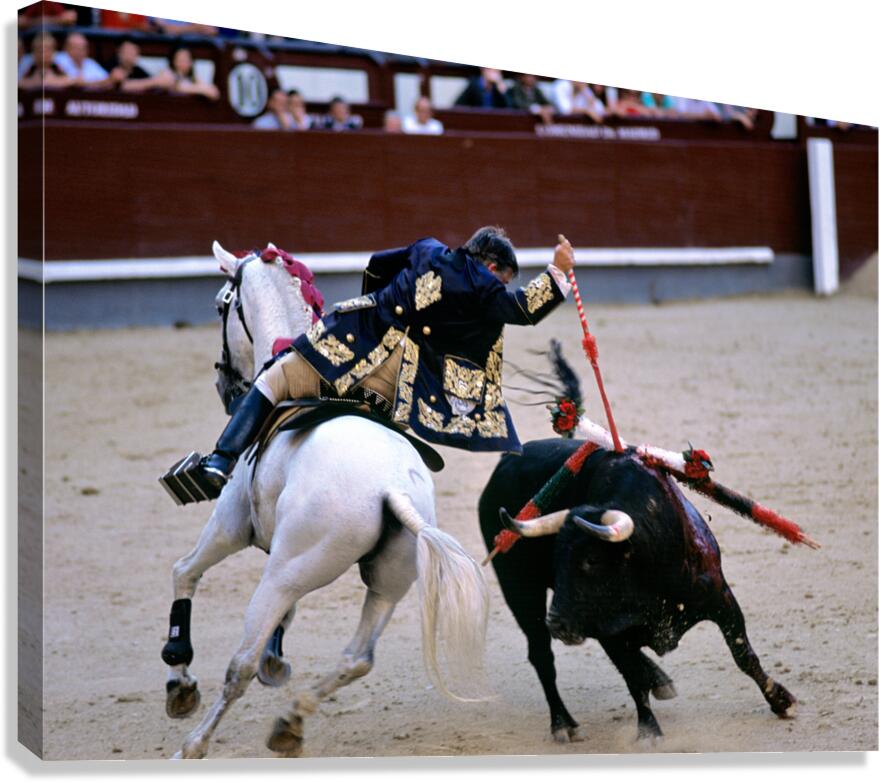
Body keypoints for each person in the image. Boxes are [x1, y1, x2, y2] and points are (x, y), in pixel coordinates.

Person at [176, 228, 576, 500]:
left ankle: (219, 462)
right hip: (404, 387)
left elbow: (377, 264)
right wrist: (558, 270)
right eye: (503, 277)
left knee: (273, 380)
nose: (500, 284)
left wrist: (373, 310)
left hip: (352, 346)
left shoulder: (427, 248)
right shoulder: (486, 290)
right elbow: (524, 308)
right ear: (492, 267)